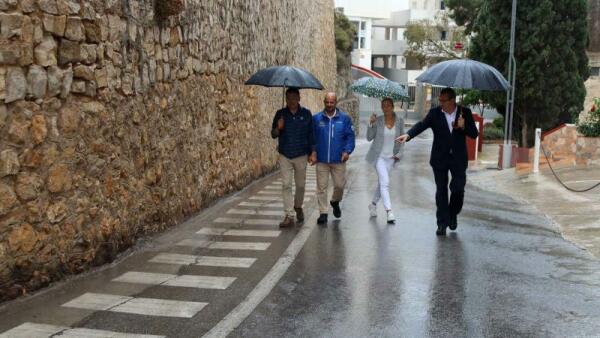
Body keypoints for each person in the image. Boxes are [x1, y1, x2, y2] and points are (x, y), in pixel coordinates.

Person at [396, 88, 478, 236]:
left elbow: (474, 134)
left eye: (443, 100)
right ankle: (441, 223)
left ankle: (453, 213)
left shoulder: (464, 112)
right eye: (439, 100)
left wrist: (464, 126)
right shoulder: (435, 113)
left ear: (452, 100)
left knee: (458, 189)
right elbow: (422, 125)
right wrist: (408, 135)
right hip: (440, 158)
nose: (441, 103)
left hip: (458, 159)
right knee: (441, 191)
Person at [271, 88, 315, 227]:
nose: (291, 101)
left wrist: (312, 152)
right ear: (286, 99)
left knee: (301, 186)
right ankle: (289, 215)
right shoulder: (280, 114)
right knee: (286, 185)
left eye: (293, 98)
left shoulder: (306, 114)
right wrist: (279, 127)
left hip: (301, 154)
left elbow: (311, 135)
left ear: (299, 98)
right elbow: (273, 134)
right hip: (285, 154)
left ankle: (297, 206)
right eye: (288, 98)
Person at [310, 92, 355, 225]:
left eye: (332, 102)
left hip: (339, 160)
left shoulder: (345, 119)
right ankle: (323, 212)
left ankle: (335, 201)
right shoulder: (317, 119)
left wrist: (347, 151)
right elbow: (312, 138)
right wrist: (312, 152)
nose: (329, 105)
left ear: (336, 103)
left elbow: (350, 137)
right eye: (327, 102)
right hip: (322, 160)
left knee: (340, 186)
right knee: (321, 188)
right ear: (324, 102)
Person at [365, 98, 404, 224]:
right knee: (385, 183)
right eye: (383, 106)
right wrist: (371, 124)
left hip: (391, 158)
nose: (385, 108)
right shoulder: (378, 120)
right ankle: (389, 211)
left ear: (393, 107)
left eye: (388, 106)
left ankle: (373, 204)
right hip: (379, 157)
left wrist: (399, 154)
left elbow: (402, 140)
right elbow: (369, 137)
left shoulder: (400, 121)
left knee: (382, 183)